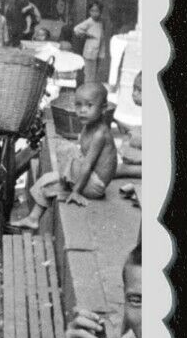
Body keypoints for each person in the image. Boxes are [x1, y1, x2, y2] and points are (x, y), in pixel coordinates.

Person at [19, 81, 117, 231]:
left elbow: (88, 165)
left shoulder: (100, 134)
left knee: (66, 151)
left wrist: (76, 192)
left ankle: (72, 187)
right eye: (78, 105)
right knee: (49, 179)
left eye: (89, 106)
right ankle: (33, 218)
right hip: (87, 179)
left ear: (103, 108)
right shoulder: (88, 126)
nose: (82, 110)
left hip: (95, 186)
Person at [74, 0, 107, 84]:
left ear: (100, 12)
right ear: (89, 11)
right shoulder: (89, 21)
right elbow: (76, 29)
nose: (94, 13)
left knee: (95, 74)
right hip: (90, 52)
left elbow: (102, 37)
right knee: (89, 74)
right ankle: (87, 91)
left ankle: (92, 90)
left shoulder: (100, 22)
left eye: (97, 11)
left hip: (98, 51)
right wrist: (86, 34)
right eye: (92, 11)